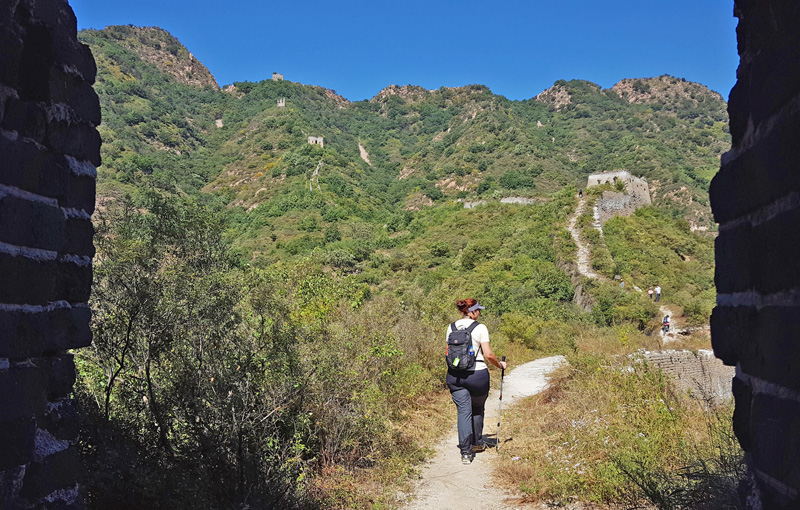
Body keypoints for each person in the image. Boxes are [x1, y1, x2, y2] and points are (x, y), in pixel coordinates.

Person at [446, 299, 507, 464]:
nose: (479, 313)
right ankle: (476, 443)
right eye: (478, 310)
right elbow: (488, 355)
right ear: (472, 311)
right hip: (477, 375)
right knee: (477, 408)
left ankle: (465, 453)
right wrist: (500, 365)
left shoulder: (450, 327)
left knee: (463, 412)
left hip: (455, 376)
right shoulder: (480, 327)